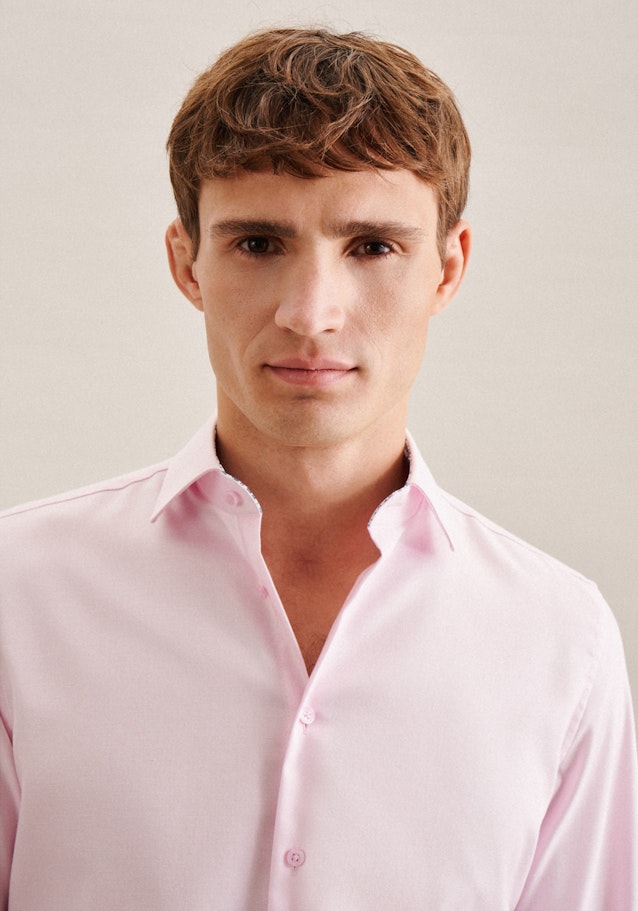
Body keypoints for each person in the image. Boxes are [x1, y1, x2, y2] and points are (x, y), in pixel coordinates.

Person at [0, 26, 636, 910]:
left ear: (447, 268)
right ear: (187, 262)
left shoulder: (561, 641)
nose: (311, 313)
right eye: (259, 243)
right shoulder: (20, 595)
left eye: (372, 246)